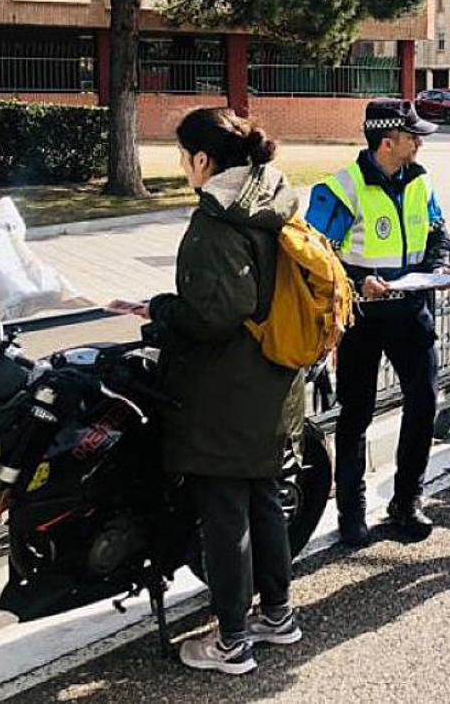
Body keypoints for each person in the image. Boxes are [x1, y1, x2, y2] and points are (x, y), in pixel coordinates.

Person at [137, 108, 305, 673]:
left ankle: (232, 641)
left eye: (184, 156)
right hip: (276, 382)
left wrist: (163, 311)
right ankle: (278, 615)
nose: (184, 167)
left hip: (227, 389)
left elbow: (215, 315)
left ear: (202, 160)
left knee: (225, 512)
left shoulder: (216, 219)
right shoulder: (274, 197)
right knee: (265, 502)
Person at [305, 99, 450, 546]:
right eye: (413, 137)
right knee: (356, 414)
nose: (420, 143)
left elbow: (438, 231)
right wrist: (357, 281)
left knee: (424, 402)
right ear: (388, 143)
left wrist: (440, 265)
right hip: (362, 317)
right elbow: (313, 257)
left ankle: (407, 500)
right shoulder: (340, 188)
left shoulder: (420, 181)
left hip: (412, 311)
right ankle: (351, 509)